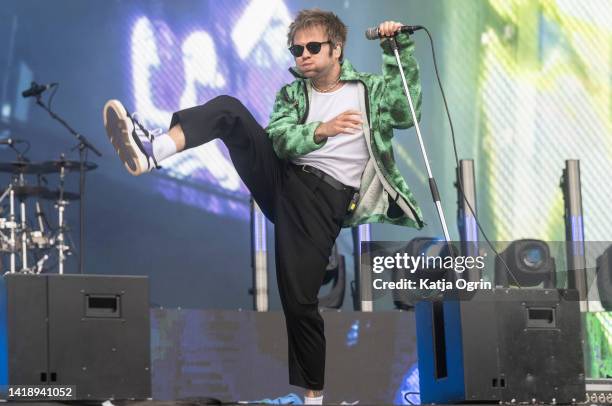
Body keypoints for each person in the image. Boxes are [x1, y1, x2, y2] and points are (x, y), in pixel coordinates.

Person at [102, 9, 424, 404]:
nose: (302, 55)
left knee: (299, 301)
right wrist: (321, 129)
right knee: (229, 110)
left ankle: (312, 400)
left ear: (336, 48)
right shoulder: (293, 94)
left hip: (323, 201)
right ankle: (154, 150)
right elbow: (282, 140)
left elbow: (405, 113)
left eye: (312, 47)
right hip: (284, 178)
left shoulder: (367, 90)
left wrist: (398, 49)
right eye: (296, 49)